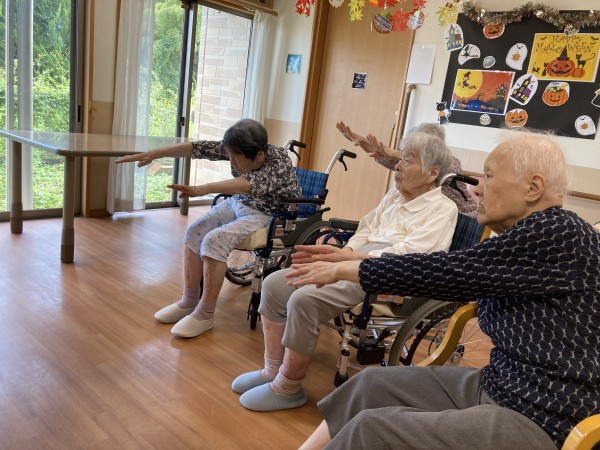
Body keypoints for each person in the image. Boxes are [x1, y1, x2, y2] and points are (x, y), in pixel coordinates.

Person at [289, 133, 600, 449]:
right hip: (502, 384)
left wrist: (345, 269)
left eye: (490, 176)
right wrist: (351, 259)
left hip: (544, 417)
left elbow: (447, 271)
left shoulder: (555, 235)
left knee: (373, 431)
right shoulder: (535, 237)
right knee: (368, 385)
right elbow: (453, 266)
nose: (477, 188)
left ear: (533, 188)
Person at [231, 132, 459, 411]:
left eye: (407, 161)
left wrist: (350, 259)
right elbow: (366, 228)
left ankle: (288, 386)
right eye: (400, 159)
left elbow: (413, 254)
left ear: (432, 173)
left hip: (386, 272)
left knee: (304, 300)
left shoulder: (443, 209)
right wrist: (345, 252)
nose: (397, 166)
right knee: (275, 283)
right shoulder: (394, 196)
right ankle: (271, 369)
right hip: (357, 257)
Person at [115, 119, 302, 338]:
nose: (231, 161)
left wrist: (203, 189)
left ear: (259, 154)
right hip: (239, 203)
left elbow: (248, 184)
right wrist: (155, 154)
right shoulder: (241, 148)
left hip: (270, 214)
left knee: (214, 240)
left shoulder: (279, 162)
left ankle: (205, 313)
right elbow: (198, 148)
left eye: (235, 158)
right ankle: (189, 300)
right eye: (229, 156)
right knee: (194, 232)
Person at [336, 121, 478, 218]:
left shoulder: (451, 163)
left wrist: (394, 153)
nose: (400, 166)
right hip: (433, 215)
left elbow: (431, 162)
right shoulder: (411, 167)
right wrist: (361, 141)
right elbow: (381, 154)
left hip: (463, 218)